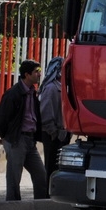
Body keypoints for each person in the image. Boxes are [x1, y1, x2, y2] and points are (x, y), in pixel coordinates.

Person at [0, 59, 49, 200]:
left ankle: (41, 206)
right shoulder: (13, 94)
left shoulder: (33, 93)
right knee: (14, 177)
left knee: (40, 175)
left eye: (39, 71)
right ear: (26, 74)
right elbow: (2, 119)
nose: (39, 74)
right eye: (36, 72)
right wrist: (6, 137)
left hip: (30, 141)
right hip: (16, 140)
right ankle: (13, 209)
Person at [39, 56, 71, 186]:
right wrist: (54, 133)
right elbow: (46, 113)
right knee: (51, 167)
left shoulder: (63, 87)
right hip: (53, 135)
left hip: (62, 135)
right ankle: (48, 194)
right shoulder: (51, 88)